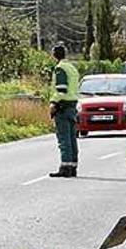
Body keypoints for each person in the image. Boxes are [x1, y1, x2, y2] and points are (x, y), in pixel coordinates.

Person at [49, 43, 80, 178]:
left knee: (64, 138)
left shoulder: (60, 68)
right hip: (72, 105)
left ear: (55, 54)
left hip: (62, 106)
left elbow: (61, 89)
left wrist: (53, 103)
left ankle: (65, 167)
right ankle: (73, 166)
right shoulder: (72, 68)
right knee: (72, 138)